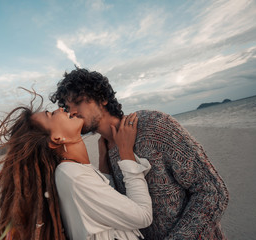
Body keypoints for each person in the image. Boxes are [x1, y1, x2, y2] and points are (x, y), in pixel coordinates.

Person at [50, 67, 230, 240]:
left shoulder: (153, 126)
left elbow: (213, 191)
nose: (72, 111)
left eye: (78, 101)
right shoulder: (105, 149)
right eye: (67, 106)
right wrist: (104, 162)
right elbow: (122, 210)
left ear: (102, 98)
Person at [0, 90, 153, 240]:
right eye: (51, 114)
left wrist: (103, 157)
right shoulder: (73, 176)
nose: (62, 109)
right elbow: (143, 216)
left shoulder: (72, 170)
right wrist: (126, 154)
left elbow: (103, 197)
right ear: (57, 139)